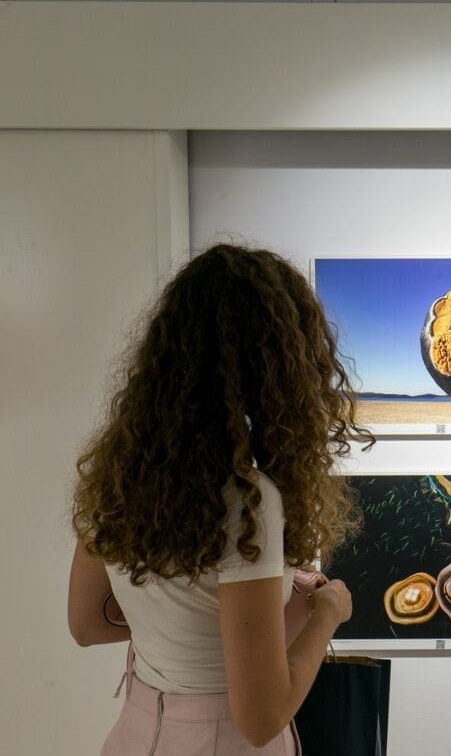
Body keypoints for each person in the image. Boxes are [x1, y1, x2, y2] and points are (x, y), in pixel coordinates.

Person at [68, 243, 374, 754]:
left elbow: (88, 624)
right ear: (280, 365)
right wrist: (327, 611)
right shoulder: (247, 500)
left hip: (138, 731)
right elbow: (260, 719)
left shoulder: (121, 474)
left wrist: (190, 619)